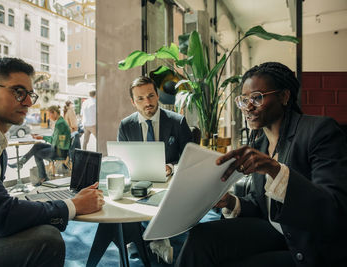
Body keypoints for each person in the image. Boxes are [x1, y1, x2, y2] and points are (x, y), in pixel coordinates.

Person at [176, 62, 347, 267]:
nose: (248, 106)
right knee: (201, 237)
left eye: (257, 98)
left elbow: (333, 208)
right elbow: (261, 206)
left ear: (284, 97)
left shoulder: (318, 131)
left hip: (310, 245)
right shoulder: (261, 144)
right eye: (244, 99)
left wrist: (275, 170)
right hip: (278, 232)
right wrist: (231, 202)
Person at [0, 57, 104, 267]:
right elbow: (1, 214)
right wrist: (72, 205)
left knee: (39, 223)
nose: (29, 102)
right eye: (19, 92)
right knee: (46, 240)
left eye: (30, 94)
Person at [118, 76, 192, 264]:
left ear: (157, 95)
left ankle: (156, 238)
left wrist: (171, 167)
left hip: (171, 183)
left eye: (151, 96)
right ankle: (146, 240)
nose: (147, 102)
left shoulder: (178, 122)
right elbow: (121, 161)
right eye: (141, 99)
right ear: (133, 102)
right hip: (138, 184)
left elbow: (191, 159)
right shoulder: (126, 126)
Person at [9, 105, 71, 184]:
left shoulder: (60, 123)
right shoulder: (61, 121)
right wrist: (41, 137)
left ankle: (43, 178)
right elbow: (55, 139)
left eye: (49, 114)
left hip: (60, 151)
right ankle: (21, 163)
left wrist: (42, 137)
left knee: (37, 154)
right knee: (37, 145)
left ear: (54, 113)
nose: (48, 117)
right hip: (59, 148)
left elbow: (54, 141)